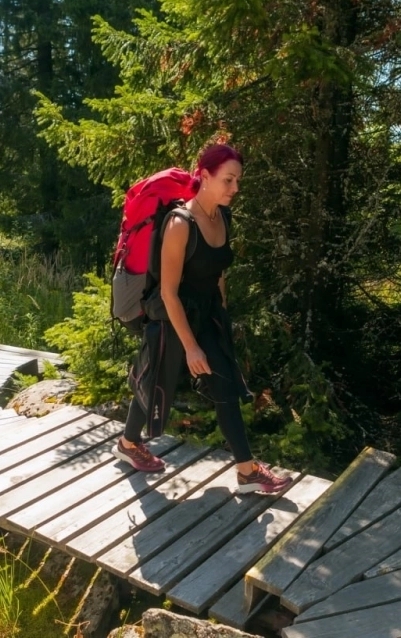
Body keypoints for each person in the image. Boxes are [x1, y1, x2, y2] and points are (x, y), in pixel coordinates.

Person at [112, 143, 293, 495]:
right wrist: (192, 347)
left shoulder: (223, 216)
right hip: (171, 316)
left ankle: (246, 471)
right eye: (228, 180)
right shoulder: (179, 224)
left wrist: (220, 313)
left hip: (207, 313)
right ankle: (129, 444)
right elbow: (168, 292)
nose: (235, 189)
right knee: (154, 383)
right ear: (205, 176)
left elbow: (218, 268)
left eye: (238, 180)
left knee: (224, 383)